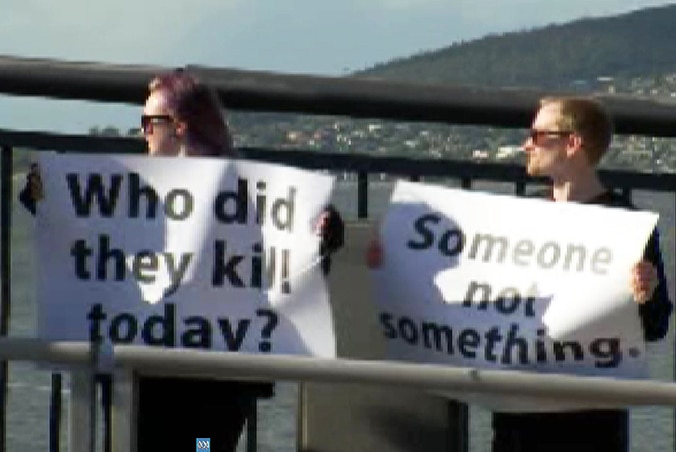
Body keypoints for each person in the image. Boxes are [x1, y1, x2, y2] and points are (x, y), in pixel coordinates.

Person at [20, 68, 344, 452]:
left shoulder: (248, 193)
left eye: (148, 123)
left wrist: (324, 233)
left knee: (202, 448)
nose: (142, 134)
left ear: (178, 126)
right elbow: (58, 208)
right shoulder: (137, 193)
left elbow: (290, 271)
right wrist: (47, 184)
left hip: (214, 391)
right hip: (152, 381)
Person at [365, 96, 672, 452]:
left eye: (539, 136)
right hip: (516, 423)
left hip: (590, 425)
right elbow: (472, 296)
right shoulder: (520, 217)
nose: (527, 144)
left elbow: (655, 326)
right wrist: (395, 262)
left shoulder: (626, 226)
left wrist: (645, 295)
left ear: (573, 144)